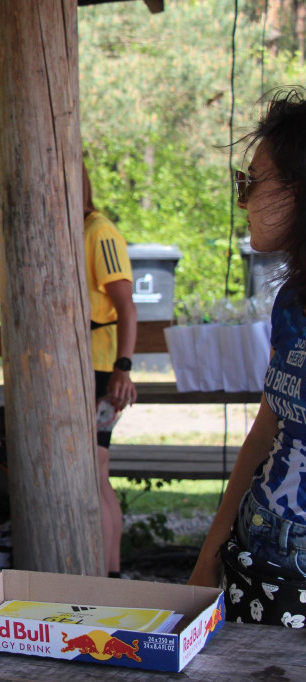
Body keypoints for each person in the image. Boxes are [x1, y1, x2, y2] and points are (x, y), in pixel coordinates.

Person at [0, 161, 137, 577]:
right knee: (92, 473)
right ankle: (107, 572)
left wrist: (123, 368)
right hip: (72, 367)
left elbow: (126, 305)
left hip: (97, 369)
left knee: (94, 473)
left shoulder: (99, 231)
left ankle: (110, 572)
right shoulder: (67, 231)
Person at [189, 89, 306, 625]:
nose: (243, 200)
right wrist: (211, 553)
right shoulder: (293, 302)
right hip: (256, 555)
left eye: (252, 182)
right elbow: (265, 432)